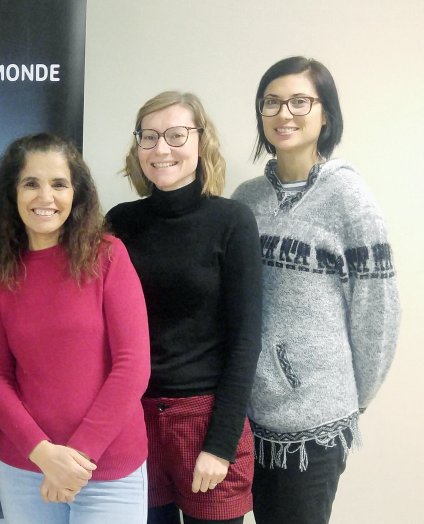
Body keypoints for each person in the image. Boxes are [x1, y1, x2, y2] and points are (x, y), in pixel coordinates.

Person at [231, 56, 401, 524]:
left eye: (300, 101)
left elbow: (378, 313)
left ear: (325, 114)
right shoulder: (245, 200)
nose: (284, 114)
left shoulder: (350, 199)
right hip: (245, 415)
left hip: (314, 428)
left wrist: (348, 399)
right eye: (272, 102)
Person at [0, 133, 151, 524]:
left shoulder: (107, 256)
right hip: (26, 469)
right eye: (31, 183)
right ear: (12, 192)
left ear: (77, 194)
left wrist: (77, 459)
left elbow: (132, 366)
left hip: (107, 469)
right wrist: (43, 454)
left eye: (59, 184)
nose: (45, 197)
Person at [106, 92, 262, 524]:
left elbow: (246, 341)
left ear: (201, 141)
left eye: (176, 135)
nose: (161, 149)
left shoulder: (232, 221)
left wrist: (221, 444)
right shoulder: (119, 222)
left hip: (206, 421)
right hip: (134, 420)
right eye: (149, 136)